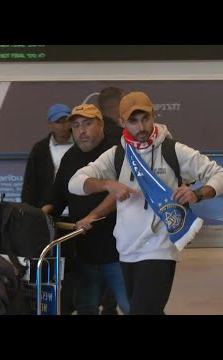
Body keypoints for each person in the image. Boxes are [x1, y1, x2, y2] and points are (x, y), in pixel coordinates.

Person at [68, 92, 223, 314]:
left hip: (160, 249)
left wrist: (198, 194)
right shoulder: (116, 155)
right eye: (133, 121)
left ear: (153, 116)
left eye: (145, 118)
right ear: (122, 122)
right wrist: (107, 184)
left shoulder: (173, 150)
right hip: (126, 250)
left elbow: (221, 175)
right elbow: (74, 183)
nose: (141, 126)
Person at [49, 104, 130, 315]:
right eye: (75, 126)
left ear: (101, 124)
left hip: (120, 252)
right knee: (86, 306)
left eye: (87, 123)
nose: (81, 130)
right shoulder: (70, 158)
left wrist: (93, 215)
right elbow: (56, 199)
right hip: (84, 252)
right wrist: (37, 215)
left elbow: (121, 192)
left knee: (131, 306)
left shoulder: (118, 153)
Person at [20, 103, 76, 314]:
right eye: (58, 121)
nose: (63, 125)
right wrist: (31, 214)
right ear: (50, 123)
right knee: (52, 265)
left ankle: (72, 304)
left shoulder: (79, 145)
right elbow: (30, 184)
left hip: (75, 216)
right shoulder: (40, 148)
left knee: (75, 267)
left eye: (66, 120)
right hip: (48, 216)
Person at [96, 86, 125, 315]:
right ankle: (110, 305)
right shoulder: (123, 140)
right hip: (118, 212)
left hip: (91, 213)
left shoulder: (91, 138)